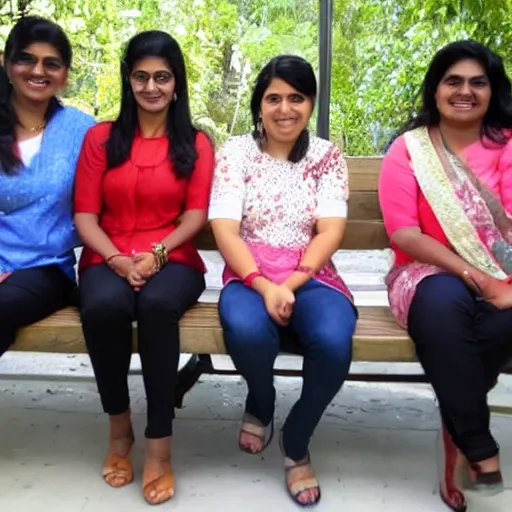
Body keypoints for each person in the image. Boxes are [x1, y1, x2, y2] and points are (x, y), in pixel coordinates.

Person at [209, 55, 357, 507]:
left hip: (311, 275)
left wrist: (290, 283)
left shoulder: (326, 157)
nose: (285, 109)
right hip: (249, 274)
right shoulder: (236, 152)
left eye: (297, 97)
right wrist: (262, 282)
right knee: (248, 332)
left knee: (334, 341)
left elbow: (330, 229)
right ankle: (262, 399)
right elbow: (224, 228)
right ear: (259, 105)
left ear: (310, 103)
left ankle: (296, 439)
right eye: (273, 98)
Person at [73, 31, 214, 505]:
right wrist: (114, 257)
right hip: (105, 254)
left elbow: (195, 217)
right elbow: (85, 216)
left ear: (176, 83)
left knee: (156, 306)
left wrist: (156, 254)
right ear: (128, 79)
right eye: (141, 76)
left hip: (173, 257)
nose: (151, 86)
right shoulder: (101, 138)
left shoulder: (194, 143)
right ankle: (119, 431)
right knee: (104, 307)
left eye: (162, 76)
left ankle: (158, 446)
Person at [378, 40, 512, 512]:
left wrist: (503, 284)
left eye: (478, 82)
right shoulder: (409, 149)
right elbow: (405, 234)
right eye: (453, 81)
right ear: (435, 90)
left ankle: (456, 427)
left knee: (500, 323)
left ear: (493, 91)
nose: (465, 91)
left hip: (507, 274)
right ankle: (478, 445)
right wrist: (477, 277)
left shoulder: (510, 145)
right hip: (424, 271)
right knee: (442, 305)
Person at [0, 16, 94, 355]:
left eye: (51, 63)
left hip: (45, 268)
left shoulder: (83, 132)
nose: (38, 71)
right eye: (26, 58)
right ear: (7, 63)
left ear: (65, 75)